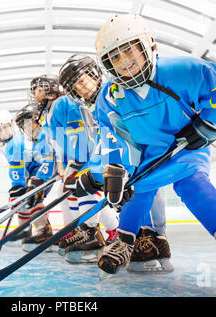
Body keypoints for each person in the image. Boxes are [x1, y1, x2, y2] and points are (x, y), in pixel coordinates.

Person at [73, 13, 216, 295]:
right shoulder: (109, 97)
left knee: (193, 185)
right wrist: (111, 171)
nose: (125, 61)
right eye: (115, 57)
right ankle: (125, 243)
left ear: (147, 45)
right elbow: (112, 138)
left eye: (129, 50)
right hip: (147, 159)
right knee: (136, 192)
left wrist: (208, 125)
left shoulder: (182, 70)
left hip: (186, 148)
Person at [58, 53, 173, 273]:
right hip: (127, 159)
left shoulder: (114, 91)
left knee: (144, 188)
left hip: (144, 153)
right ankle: (150, 241)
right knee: (131, 193)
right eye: (75, 87)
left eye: (82, 81)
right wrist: (96, 173)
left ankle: (151, 238)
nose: (81, 89)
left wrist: (117, 168)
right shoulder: (91, 107)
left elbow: (125, 132)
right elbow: (103, 142)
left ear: (94, 74)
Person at [31, 74, 120, 264]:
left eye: (38, 89)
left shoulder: (64, 104)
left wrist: (77, 161)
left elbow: (79, 134)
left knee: (85, 190)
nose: (35, 94)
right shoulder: (48, 111)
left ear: (50, 89)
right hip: (75, 159)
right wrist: (62, 165)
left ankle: (104, 230)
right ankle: (82, 229)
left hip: (87, 158)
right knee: (70, 192)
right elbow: (58, 142)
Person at [0, 106, 56, 252]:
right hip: (35, 171)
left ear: (12, 125)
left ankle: (44, 230)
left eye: (5, 128)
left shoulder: (16, 142)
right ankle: (24, 231)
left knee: (32, 197)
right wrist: (17, 188)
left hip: (42, 171)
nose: (3, 132)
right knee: (24, 199)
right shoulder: (9, 143)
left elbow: (18, 169)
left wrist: (18, 186)